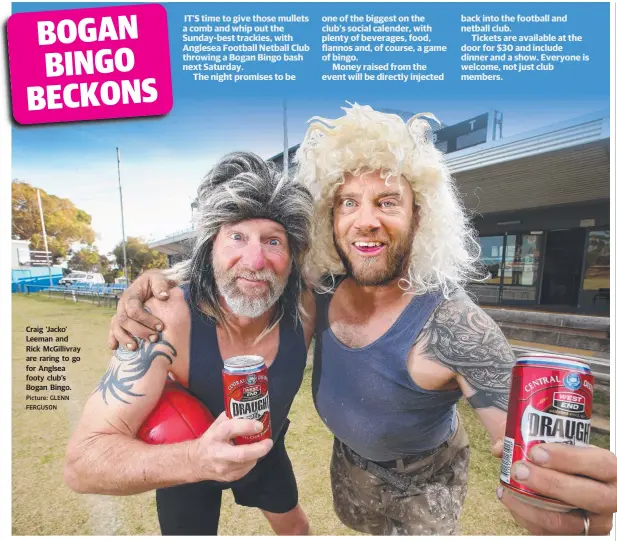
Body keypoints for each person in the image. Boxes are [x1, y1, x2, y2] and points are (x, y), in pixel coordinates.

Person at [109, 104, 617, 536]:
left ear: (420, 216)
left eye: (388, 201)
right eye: (349, 202)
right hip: (350, 467)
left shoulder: (456, 325)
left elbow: (524, 453)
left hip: (426, 479)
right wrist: (152, 280)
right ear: (331, 219)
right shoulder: (320, 289)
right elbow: (237, 267)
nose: (366, 219)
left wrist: (560, 496)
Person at [65, 152, 316, 536]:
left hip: (265, 448)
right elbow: (82, 462)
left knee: (296, 528)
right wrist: (197, 459)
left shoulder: (306, 305)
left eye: (273, 241)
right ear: (210, 245)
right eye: (237, 236)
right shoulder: (165, 319)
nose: (256, 259)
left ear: (292, 256)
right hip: (184, 456)